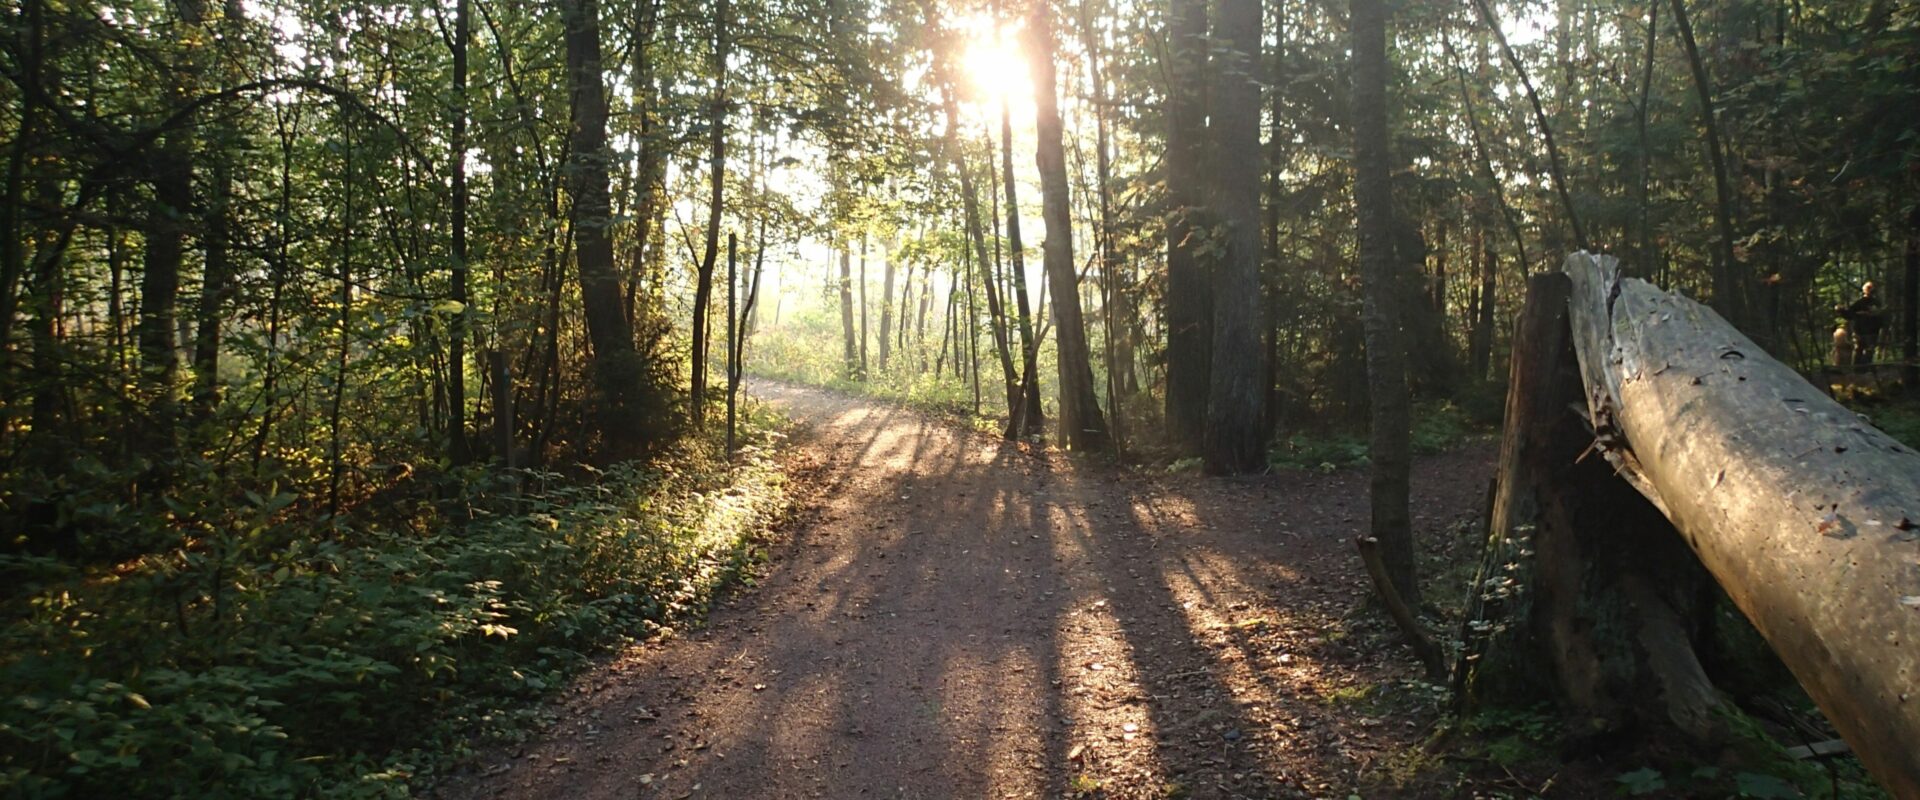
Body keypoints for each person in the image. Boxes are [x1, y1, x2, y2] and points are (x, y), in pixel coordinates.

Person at [1843, 282, 1885, 366]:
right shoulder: (1859, 303)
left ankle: (1866, 368)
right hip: (1860, 331)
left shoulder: (1876, 303)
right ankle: (1857, 368)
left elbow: (1881, 316)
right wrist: (1860, 314)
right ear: (1865, 290)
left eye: (1872, 289)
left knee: (1870, 350)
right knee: (1859, 350)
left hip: (1872, 331)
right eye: (1869, 289)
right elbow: (1849, 314)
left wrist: (1875, 316)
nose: (1871, 291)